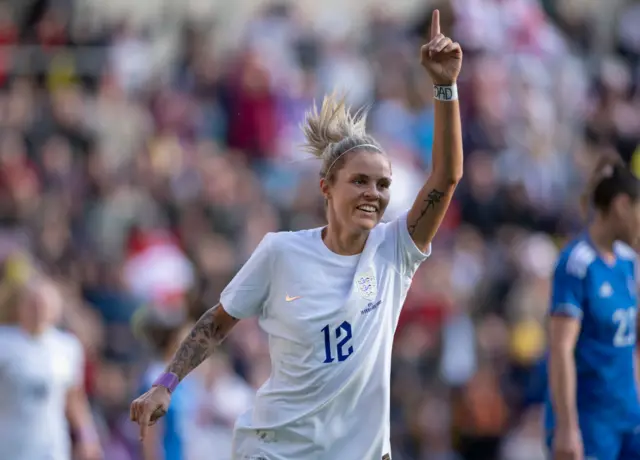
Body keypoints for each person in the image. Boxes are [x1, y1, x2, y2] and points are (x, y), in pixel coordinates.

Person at [131, 9, 463, 459]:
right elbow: (216, 322)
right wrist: (166, 384)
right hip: (276, 450)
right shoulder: (281, 251)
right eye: (360, 181)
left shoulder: (393, 252)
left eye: (383, 184)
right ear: (327, 187)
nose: (374, 193)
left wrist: (445, 87)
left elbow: (444, 179)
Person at [545, 154, 640, 460]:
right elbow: (560, 349)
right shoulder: (577, 264)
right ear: (622, 205)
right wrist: (566, 427)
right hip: (590, 421)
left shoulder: (628, 263)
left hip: (627, 416)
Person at [0, 256, 102, 460]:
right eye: (33, 304)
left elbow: (74, 397)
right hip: (11, 445)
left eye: (44, 305)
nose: (38, 311)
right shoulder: (4, 343)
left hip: (51, 447)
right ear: (21, 307)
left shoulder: (67, 346)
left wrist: (87, 435)